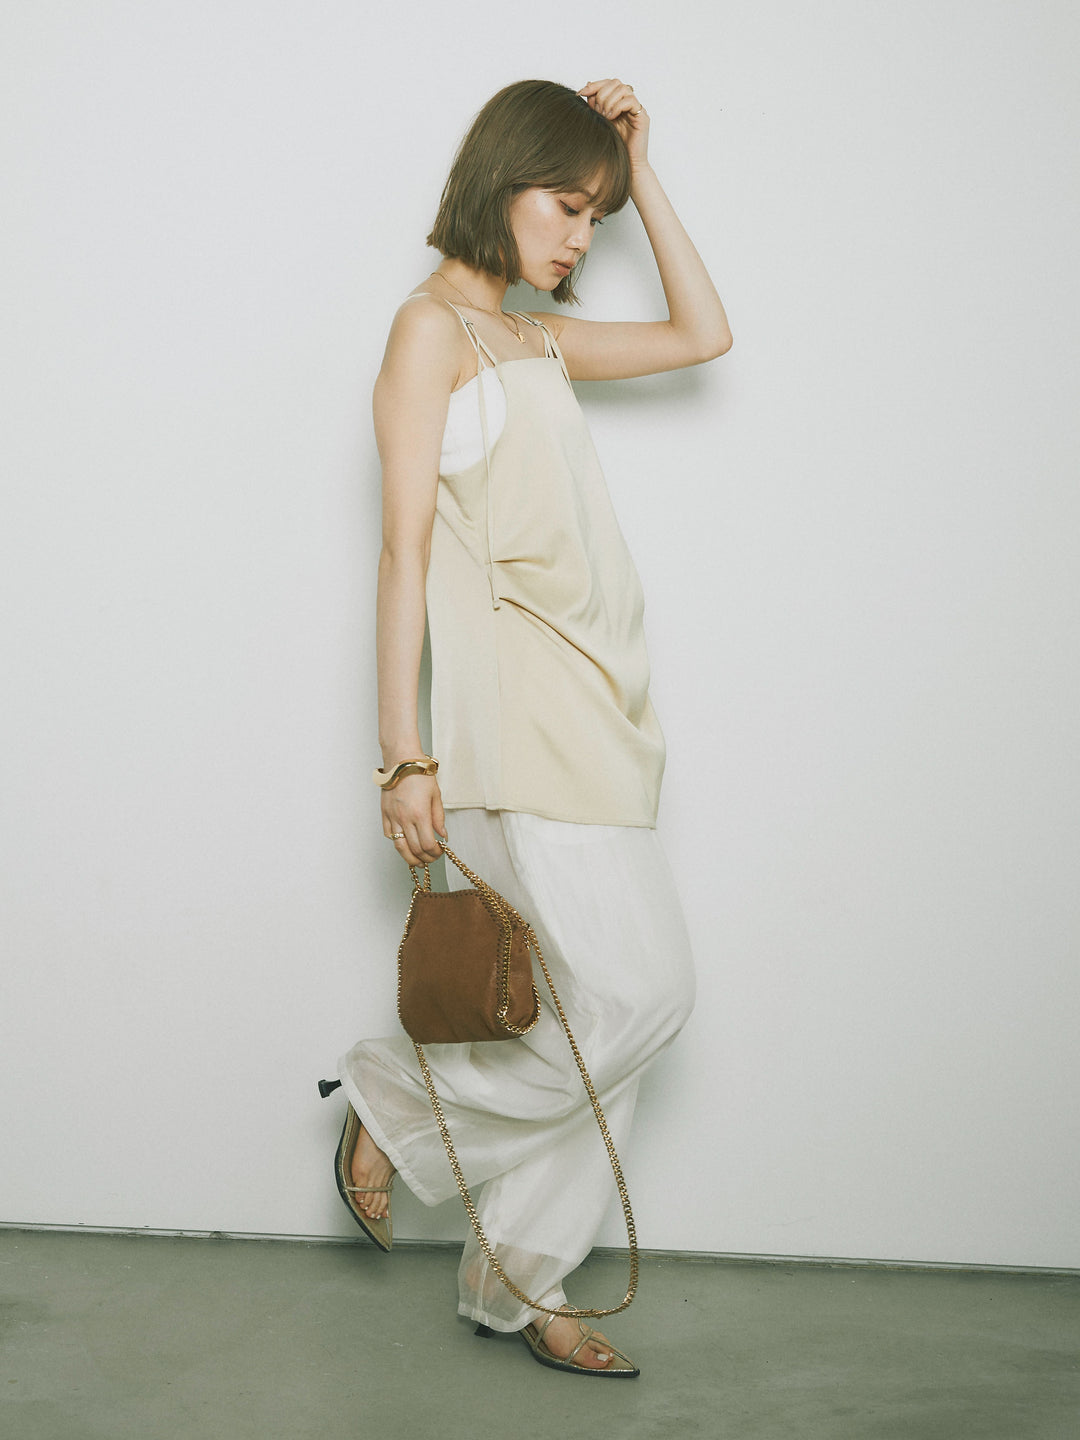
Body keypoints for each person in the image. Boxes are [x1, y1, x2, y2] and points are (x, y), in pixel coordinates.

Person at [322, 76, 732, 1377]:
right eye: (567, 204)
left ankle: (518, 1282)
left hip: (603, 717)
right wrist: (402, 755)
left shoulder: (534, 340)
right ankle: (398, 1100)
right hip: (513, 727)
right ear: (500, 181)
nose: (579, 238)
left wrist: (638, 171)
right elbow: (400, 555)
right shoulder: (429, 331)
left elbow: (703, 333)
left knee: (608, 1026)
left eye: (595, 218)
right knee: (645, 997)